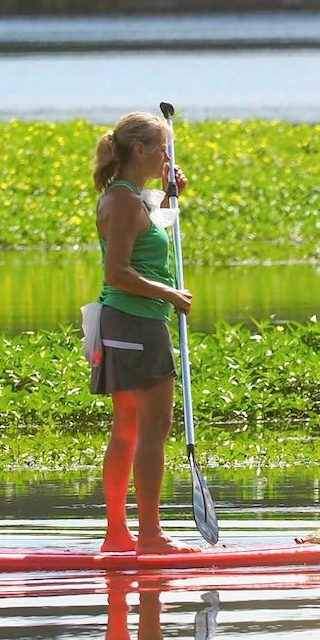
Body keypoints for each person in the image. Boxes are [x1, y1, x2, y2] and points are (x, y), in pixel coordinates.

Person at [91, 111, 194, 554]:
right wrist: (170, 294)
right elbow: (118, 273)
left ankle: (119, 535)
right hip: (136, 320)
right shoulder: (124, 201)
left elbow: (150, 232)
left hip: (125, 322)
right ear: (139, 150)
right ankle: (148, 536)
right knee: (155, 428)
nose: (167, 156)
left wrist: (172, 198)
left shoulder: (129, 198)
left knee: (128, 429)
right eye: (161, 147)